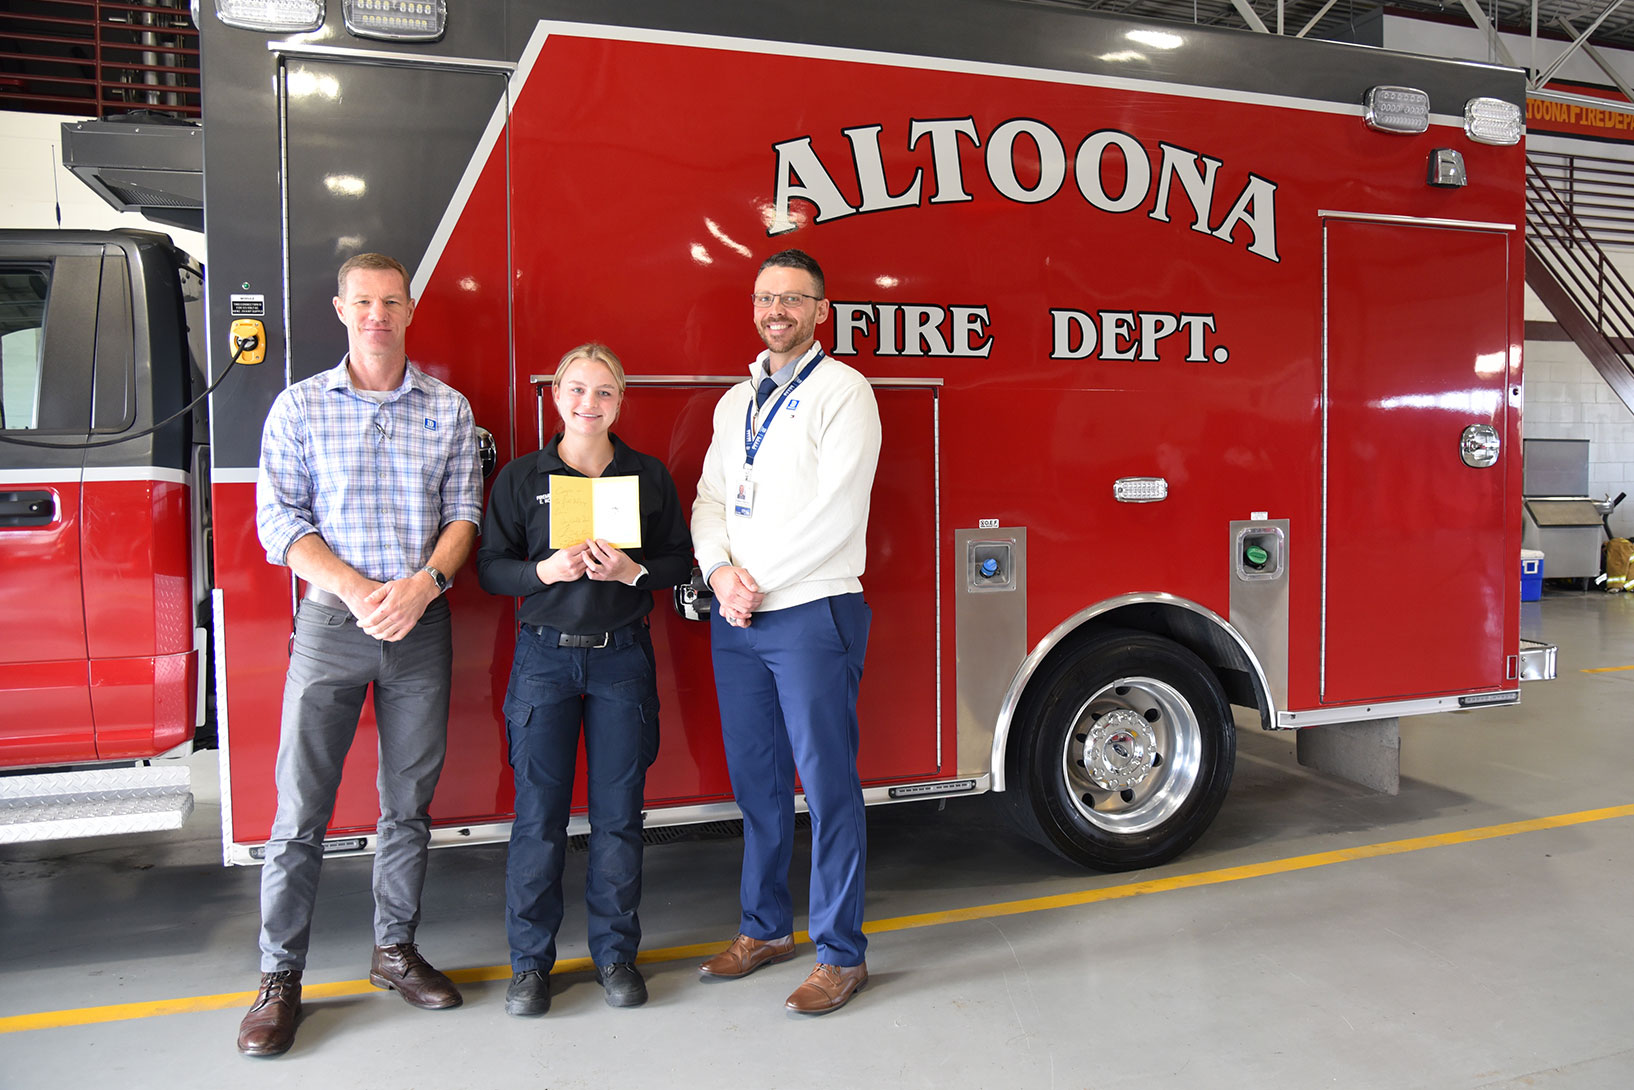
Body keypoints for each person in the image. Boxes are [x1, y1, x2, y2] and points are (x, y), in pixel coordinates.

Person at [238, 253, 482, 1057]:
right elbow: (280, 521)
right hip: (331, 628)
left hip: (421, 628)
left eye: (391, 301)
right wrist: (356, 588)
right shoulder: (300, 407)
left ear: (411, 310)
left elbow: (464, 514)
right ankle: (279, 978)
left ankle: (394, 951)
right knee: (299, 812)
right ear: (341, 309)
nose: (377, 313)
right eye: (363, 301)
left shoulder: (447, 409)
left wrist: (423, 585)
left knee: (407, 806)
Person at [691, 249, 882, 1015]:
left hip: (809, 611)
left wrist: (751, 584)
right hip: (739, 615)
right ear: (754, 307)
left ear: (821, 311)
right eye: (768, 297)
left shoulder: (844, 392)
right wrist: (717, 575)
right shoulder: (735, 402)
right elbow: (709, 499)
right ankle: (765, 929)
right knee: (758, 783)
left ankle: (842, 953)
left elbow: (836, 512)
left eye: (795, 299)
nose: (779, 311)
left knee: (828, 785)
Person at [477, 343, 692, 1016]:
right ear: (556, 396)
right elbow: (489, 567)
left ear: (619, 401)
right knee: (537, 820)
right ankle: (529, 967)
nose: (588, 404)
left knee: (619, 819)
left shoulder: (648, 476)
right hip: (544, 659)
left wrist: (633, 573)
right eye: (576, 389)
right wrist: (543, 572)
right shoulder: (520, 478)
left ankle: (615, 956)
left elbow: (680, 560)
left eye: (603, 392)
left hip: (621, 659)